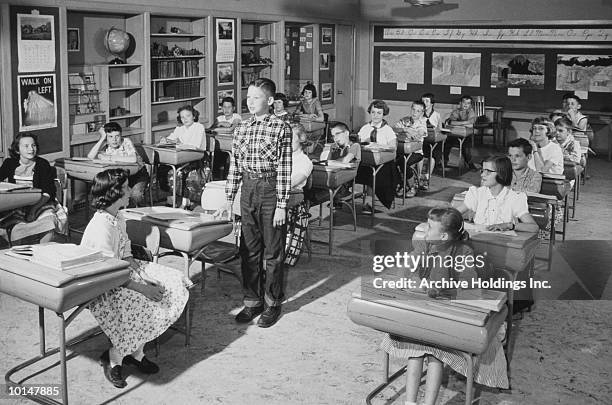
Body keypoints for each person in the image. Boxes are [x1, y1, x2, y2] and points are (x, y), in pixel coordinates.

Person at [380, 207, 509, 405]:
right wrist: (413, 277)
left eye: (429, 227)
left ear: (443, 235)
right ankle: (410, 403)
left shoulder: (463, 252)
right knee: (416, 353)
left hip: (448, 317)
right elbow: (406, 270)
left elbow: (469, 288)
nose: (424, 229)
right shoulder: (425, 246)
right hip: (425, 314)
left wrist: (443, 290)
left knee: (434, 356)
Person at [80, 168, 188, 389]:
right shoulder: (101, 226)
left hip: (121, 271)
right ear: (114, 192)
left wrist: (144, 274)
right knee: (146, 300)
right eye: (126, 187)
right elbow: (107, 273)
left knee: (173, 280)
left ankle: (135, 352)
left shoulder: (117, 215)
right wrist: (143, 288)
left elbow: (126, 251)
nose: (130, 191)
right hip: (101, 285)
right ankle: (113, 358)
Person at [219, 78, 292, 328]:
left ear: (270, 101)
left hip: (271, 190)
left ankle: (273, 303)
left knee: (273, 252)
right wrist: (229, 198)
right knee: (248, 250)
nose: (250, 102)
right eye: (248, 97)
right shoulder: (241, 128)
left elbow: (284, 168)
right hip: (248, 190)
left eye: (256, 98)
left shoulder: (281, 128)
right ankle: (252, 302)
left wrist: (282, 204)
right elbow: (235, 167)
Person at [0, 133, 68, 244]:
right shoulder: (9, 163)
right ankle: (18, 254)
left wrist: (34, 209)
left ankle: (42, 253)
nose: (31, 149)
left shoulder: (42, 164)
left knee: (49, 223)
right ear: (17, 150)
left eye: (33, 145)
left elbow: (48, 191)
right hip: (18, 205)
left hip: (42, 202)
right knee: (15, 227)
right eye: (26, 146)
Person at [457, 155, 539, 233]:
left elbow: (534, 227)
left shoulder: (514, 197)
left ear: (501, 174)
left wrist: (509, 225)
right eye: (482, 171)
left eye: (488, 172)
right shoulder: (476, 194)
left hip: (503, 243)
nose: (482, 175)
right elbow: (453, 214)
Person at [87, 122, 150, 207]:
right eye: (110, 136)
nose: (114, 140)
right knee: (109, 195)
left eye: (117, 136)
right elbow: (90, 156)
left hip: (137, 176)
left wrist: (109, 157)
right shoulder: (106, 144)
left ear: (121, 135)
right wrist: (102, 138)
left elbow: (133, 159)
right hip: (120, 178)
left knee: (136, 195)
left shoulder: (126, 141)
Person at [159, 105, 207, 208]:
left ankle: (186, 200)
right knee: (163, 168)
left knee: (181, 171)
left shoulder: (198, 127)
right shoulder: (179, 128)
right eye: (182, 117)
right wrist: (166, 140)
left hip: (196, 157)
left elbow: (195, 145)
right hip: (180, 157)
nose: (185, 119)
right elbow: (171, 138)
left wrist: (178, 142)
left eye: (188, 116)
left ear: (194, 116)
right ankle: (171, 198)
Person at [356, 99, 398, 214]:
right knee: (352, 168)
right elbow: (356, 144)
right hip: (365, 161)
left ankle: (368, 203)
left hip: (383, 163)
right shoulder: (365, 128)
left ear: (384, 114)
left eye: (379, 113)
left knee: (373, 173)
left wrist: (379, 146)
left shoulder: (387, 129)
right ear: (370, 112)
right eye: (373, 112)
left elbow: (393, 147)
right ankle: (339, 197)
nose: (375, 115)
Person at [285, 123, 313, 266]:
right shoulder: (280, 157)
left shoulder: (305, 161)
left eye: (291, 138)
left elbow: (291, 182)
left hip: (292, 199)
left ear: (301, 139)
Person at [393, 101, 427, 198]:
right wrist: (406, 130)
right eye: (413, 109)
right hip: (401, 149)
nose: (415, 113)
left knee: (404, 163)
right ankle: (401, 184)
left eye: (418, 111)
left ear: (422, 113)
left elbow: (418, 134)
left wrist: (405, 132)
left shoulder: (422, 123)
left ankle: (412, 186)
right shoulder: (405, 120)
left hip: (416, 152)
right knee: (391, 162)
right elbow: (394, 129)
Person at [443, 95, 478, 171]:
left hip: (466, 134)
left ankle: (469, 163)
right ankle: (444, 161)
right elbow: (451, 122)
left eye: (468, 103)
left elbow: (471, 124)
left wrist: (458, 123)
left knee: (466, 147)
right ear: (460, 103)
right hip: (455, 133)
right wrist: (465, 122)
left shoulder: (471, 112)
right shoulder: (456, 111)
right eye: (464, 102)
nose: (465, 105)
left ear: (470, 105)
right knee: (447, 144)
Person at [211, 97, 242, 179]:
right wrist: (223, 123)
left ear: (233, 108)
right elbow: (212, 130)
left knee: (226, 158)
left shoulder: (237, 117)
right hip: (220, 144)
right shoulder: (219, 119)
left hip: (233, 145)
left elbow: (230, 129)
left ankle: (226, 177)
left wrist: (222, 125)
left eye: (229, 107)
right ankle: (215, 177)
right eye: (224, 107)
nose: (226, 110)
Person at [420, 93, 442, 191]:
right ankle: (419, 177)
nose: (424, 103)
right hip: (422, 140)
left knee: (432, 156)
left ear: (432, 103)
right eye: (423, 101)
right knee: (419, 154)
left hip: (433, 141)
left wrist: (435, 130)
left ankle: (427, 177)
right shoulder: (419, 113)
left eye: (427, 101)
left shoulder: (437, 115)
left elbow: (440, 129)